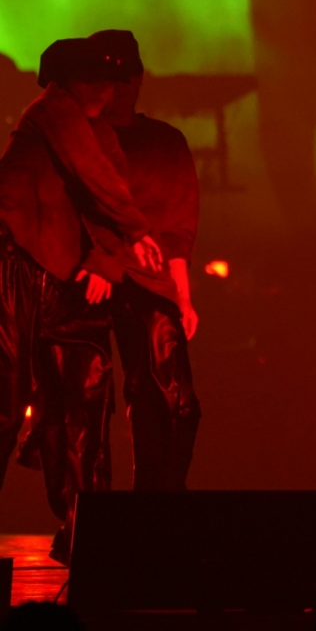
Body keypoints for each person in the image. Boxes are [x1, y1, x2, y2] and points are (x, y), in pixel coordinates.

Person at [0, 36, 162, 562]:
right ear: (65, 82)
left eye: (109, 83)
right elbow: (93, 177)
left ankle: (86, 532)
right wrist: (135, 232)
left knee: (83, 406)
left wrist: (107, 261)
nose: (105, 92)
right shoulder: (53, 111)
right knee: (5, 403)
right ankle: (84, 530)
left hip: (66, 278)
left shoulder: (99, 132)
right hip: (14, 264)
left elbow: (107, 186)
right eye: (93, 81)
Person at [79, 30, 201, 493]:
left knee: (174, 401)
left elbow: (178, 230)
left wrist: (182, 297)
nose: (122, 86)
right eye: (111, 76)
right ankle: (84, 512)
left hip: (149, 281)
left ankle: (158, 504)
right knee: (86, 400)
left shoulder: (166, 141)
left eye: (129, 74)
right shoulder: (77, 138)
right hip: (87, 276)